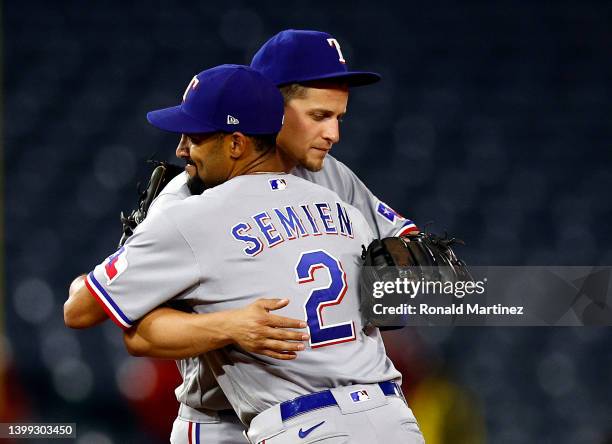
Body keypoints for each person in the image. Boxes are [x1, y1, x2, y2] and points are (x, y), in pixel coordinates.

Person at [67, 30, 420, 443]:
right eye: (319, 116)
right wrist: (230, 325)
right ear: (271, 106)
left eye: (338, 117)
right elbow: (113, 315)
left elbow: (416, 253)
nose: (333, 134)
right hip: (222, 418)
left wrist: (399, 272)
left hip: (311, 410)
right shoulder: (187, 199)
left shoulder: (332, 178)